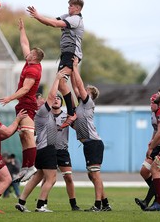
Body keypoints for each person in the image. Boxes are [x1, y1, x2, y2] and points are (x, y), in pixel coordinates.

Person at [26, 0, 84, 129]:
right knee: (60, 83)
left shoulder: (75, 19)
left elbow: (55, 24)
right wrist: (38, 17)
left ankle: (72, 113)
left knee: (62, 82)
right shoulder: (67, 16)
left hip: (72, 54)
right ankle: (73, 111)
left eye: (70, 6)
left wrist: (37, 15)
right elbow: (50, 22)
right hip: (65, 55)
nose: (68, 7)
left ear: (77, 8)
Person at [0, 18, 44, 183]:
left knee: (27, 134)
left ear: (36, 58)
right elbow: (25, 43)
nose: (28, 54)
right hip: (22, 104)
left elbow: (25, 89)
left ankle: (31, 166)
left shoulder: (33, 70)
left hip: (27, 104)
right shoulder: (29, 60)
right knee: (22, 136)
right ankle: (26, 167)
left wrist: (10, 98)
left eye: (31, 54)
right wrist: (22, 30)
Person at [15, 70, 66, 213]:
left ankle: (21, 202)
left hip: (40, 149)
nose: (43, 100)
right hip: (47, 148)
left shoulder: (40, 114)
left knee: (38, 176)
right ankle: (41, 205)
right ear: (36, 103)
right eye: (39, 99)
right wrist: (56, 78)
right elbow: (51, 96)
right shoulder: (42, 112)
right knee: (52, 178)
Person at [71, 56, 111, 212]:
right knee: (91, 175)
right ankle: (105, 203)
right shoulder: (81, 105)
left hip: (93, 143)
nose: (83, 90)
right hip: (88, 143)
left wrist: (75, 66)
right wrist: (71, 71)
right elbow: (75, 86)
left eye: (86, 90)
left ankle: (98, 205)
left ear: (90, 94)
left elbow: (79, 85)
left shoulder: (88, 102)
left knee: (95, 175)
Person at [43, 92, 80, 211]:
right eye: (53, 98)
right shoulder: (44, 116)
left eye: (58, 98)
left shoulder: (66, 116)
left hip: (62, 151)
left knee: (68, 178)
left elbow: (77, 128)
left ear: (61, 102)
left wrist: (76, 119)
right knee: (47, 179)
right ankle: (43, 203)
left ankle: (74, 205)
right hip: (48, 150)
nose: (56, 100)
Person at [134, 93, 160, 210]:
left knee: (156, 172)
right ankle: (159, 195)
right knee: (144, 171)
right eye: (150, 102)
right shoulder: (153, 114)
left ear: (158, 103)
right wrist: (151, 143)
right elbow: (156, 130)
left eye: (152, 103)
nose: (150, 105)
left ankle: (148, 201)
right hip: (156, 145)